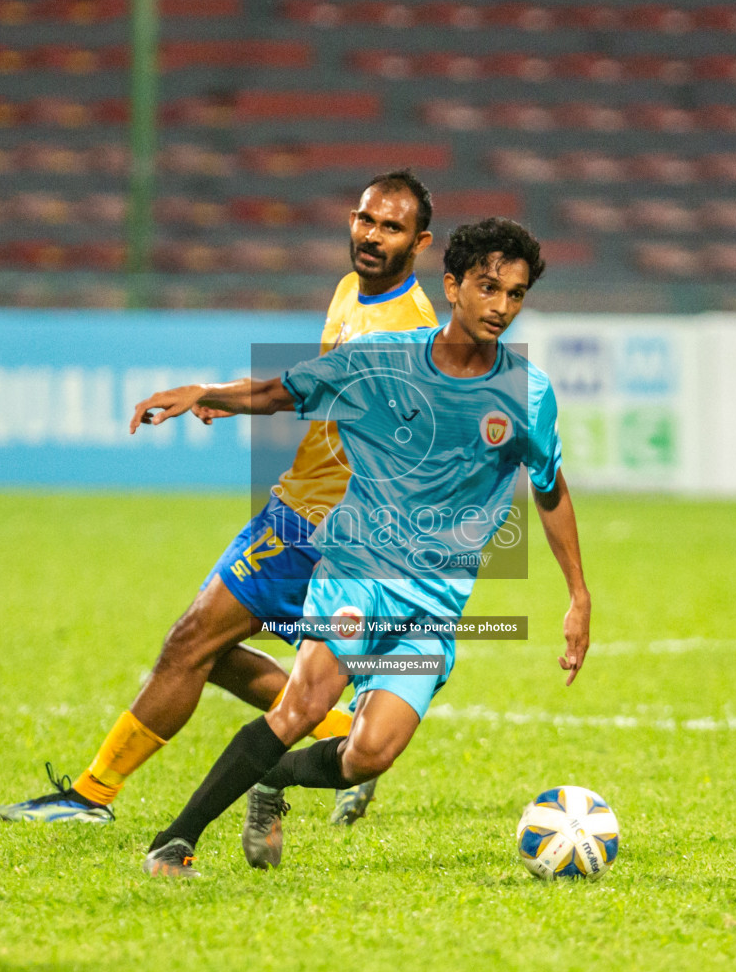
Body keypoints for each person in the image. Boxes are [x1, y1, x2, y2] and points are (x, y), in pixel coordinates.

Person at [129, 218, 590, 877]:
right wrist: (207, 394)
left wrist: (578, 594)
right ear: (453, 286)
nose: (501, 307)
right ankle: (175, 841)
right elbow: (282, 390)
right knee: (304, 706)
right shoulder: (383, 360)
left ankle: (272, 783)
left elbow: (550, 489)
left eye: (515, 295)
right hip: (354, 575)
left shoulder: (527, 393)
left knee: (368, 755)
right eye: (488, 288)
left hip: (433, 606)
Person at [0, 171, 439, 826]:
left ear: (419, 242)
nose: (372, 236)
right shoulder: (353, 291)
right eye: (365, 220)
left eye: (391, 227)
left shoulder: (402, 331)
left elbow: (288, 393)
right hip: (302, 509)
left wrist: (208, 393)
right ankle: (341, 732)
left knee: (191, 642)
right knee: (211, 652)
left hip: (319, 526)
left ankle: (92, 796)